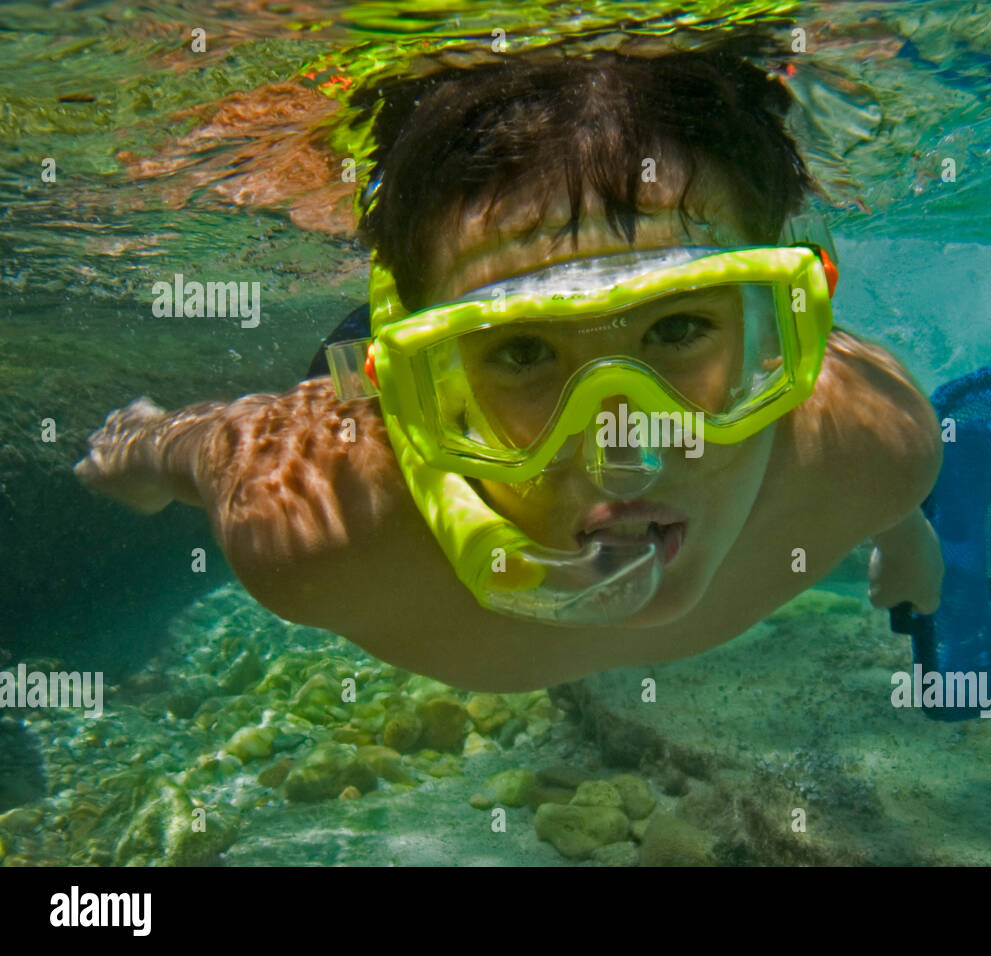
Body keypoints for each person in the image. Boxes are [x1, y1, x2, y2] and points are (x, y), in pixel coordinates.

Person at [75, 51, 945, 693]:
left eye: (680, 327)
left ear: (782, 337)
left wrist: (904, 531)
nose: (626, 458)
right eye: (526, 351)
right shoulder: (319, 532)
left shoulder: (880, 446)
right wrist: (145, 452)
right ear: (408, 385)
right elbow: (212, 452)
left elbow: (884, 476)